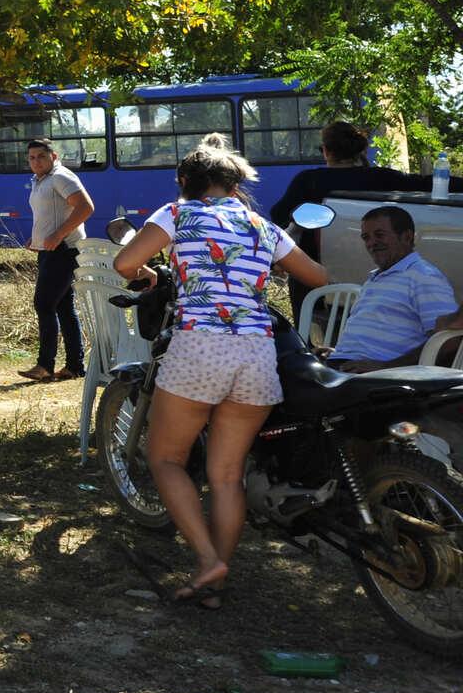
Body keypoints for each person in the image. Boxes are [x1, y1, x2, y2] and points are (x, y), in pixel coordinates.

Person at [112, 136, 329, 606]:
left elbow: (125, 261)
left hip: (200, 348)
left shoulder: (175, 213)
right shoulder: (261, 225)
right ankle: (216, 583)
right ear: (233, 185)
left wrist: (149, 273)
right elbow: (317, 277)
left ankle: (209, 560)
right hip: (257, 353)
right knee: (227, 474)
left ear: (184, 183)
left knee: (167, 459)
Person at [269, 121, 416, 320]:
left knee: (310, 332)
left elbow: (278, 214)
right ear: (359, 150)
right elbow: (427, 182)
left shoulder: (309, 180)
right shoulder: (383, 177)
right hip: (377, 272)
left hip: (317, 280)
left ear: (327, 151)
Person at [325, 206, 463, 371]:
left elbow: (447, 343)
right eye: (366, 237)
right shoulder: (377, 277)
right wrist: (339, 353)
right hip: (345, 366)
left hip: (378, 381)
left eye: (379, 235)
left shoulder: (423, 276)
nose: (371, 243)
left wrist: (385, 367)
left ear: (407, 237)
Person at [20, 138, 95, 383]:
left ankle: (45, 366)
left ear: (53, 156)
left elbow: (85, 207)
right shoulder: (41, 180)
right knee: (63, 306)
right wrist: (38, 238)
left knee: (44, 304)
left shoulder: (62, 176)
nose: (35, 162)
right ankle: (75, 366)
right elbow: (50, 214)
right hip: (49, 250)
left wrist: (57, 235)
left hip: (65, 250)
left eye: (41, 156)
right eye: (31, 158)